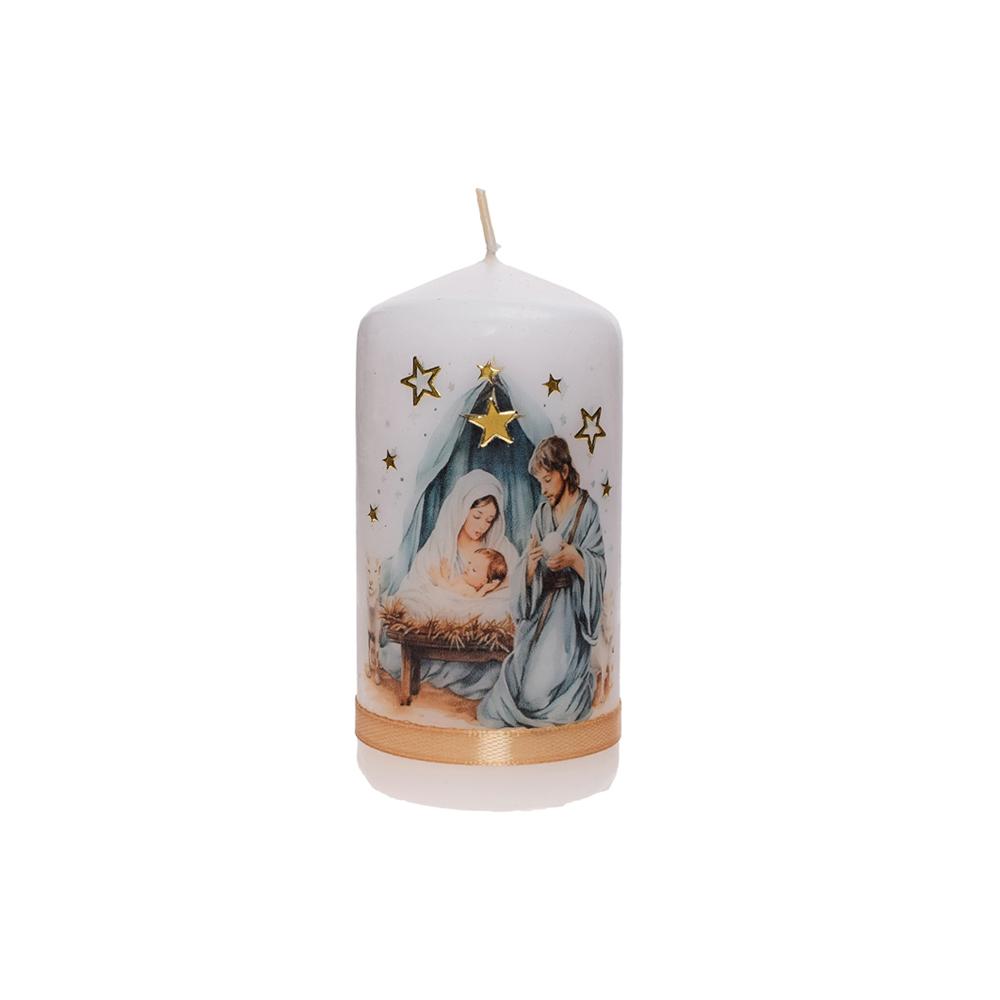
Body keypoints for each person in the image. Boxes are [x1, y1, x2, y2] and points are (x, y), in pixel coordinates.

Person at [478, 437, 606, 727]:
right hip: (541, 610)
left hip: (570, 615)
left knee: (535, 697)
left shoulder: (588, 511)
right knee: (517, 682)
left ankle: (574, 684)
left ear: (564, 471)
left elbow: (599, 566)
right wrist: (531, 567)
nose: (544, 490)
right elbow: (528, 563)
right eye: (539, 483)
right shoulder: (542, 514)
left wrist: (575, 559)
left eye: (548, 480)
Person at [383, 469, 521, 699]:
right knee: (413, 604)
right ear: (462, 508)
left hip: (480, 609)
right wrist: (446, 590)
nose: (482, 526)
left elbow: (514, 589)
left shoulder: (499, 546)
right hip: (445, 605)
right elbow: (418, 583)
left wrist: (481, 595)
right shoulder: (441, 542)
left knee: (502, 609)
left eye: (489, 520)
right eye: (477, 516)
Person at [430, 548, 508, 597]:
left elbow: (449, 592)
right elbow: (449, 586)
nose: (468, 567)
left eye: (474, 570)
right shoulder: (462, 579)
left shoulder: (469, 590)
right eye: (469, 563)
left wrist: (438, 579)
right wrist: (445, 575)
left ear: (483, 582)